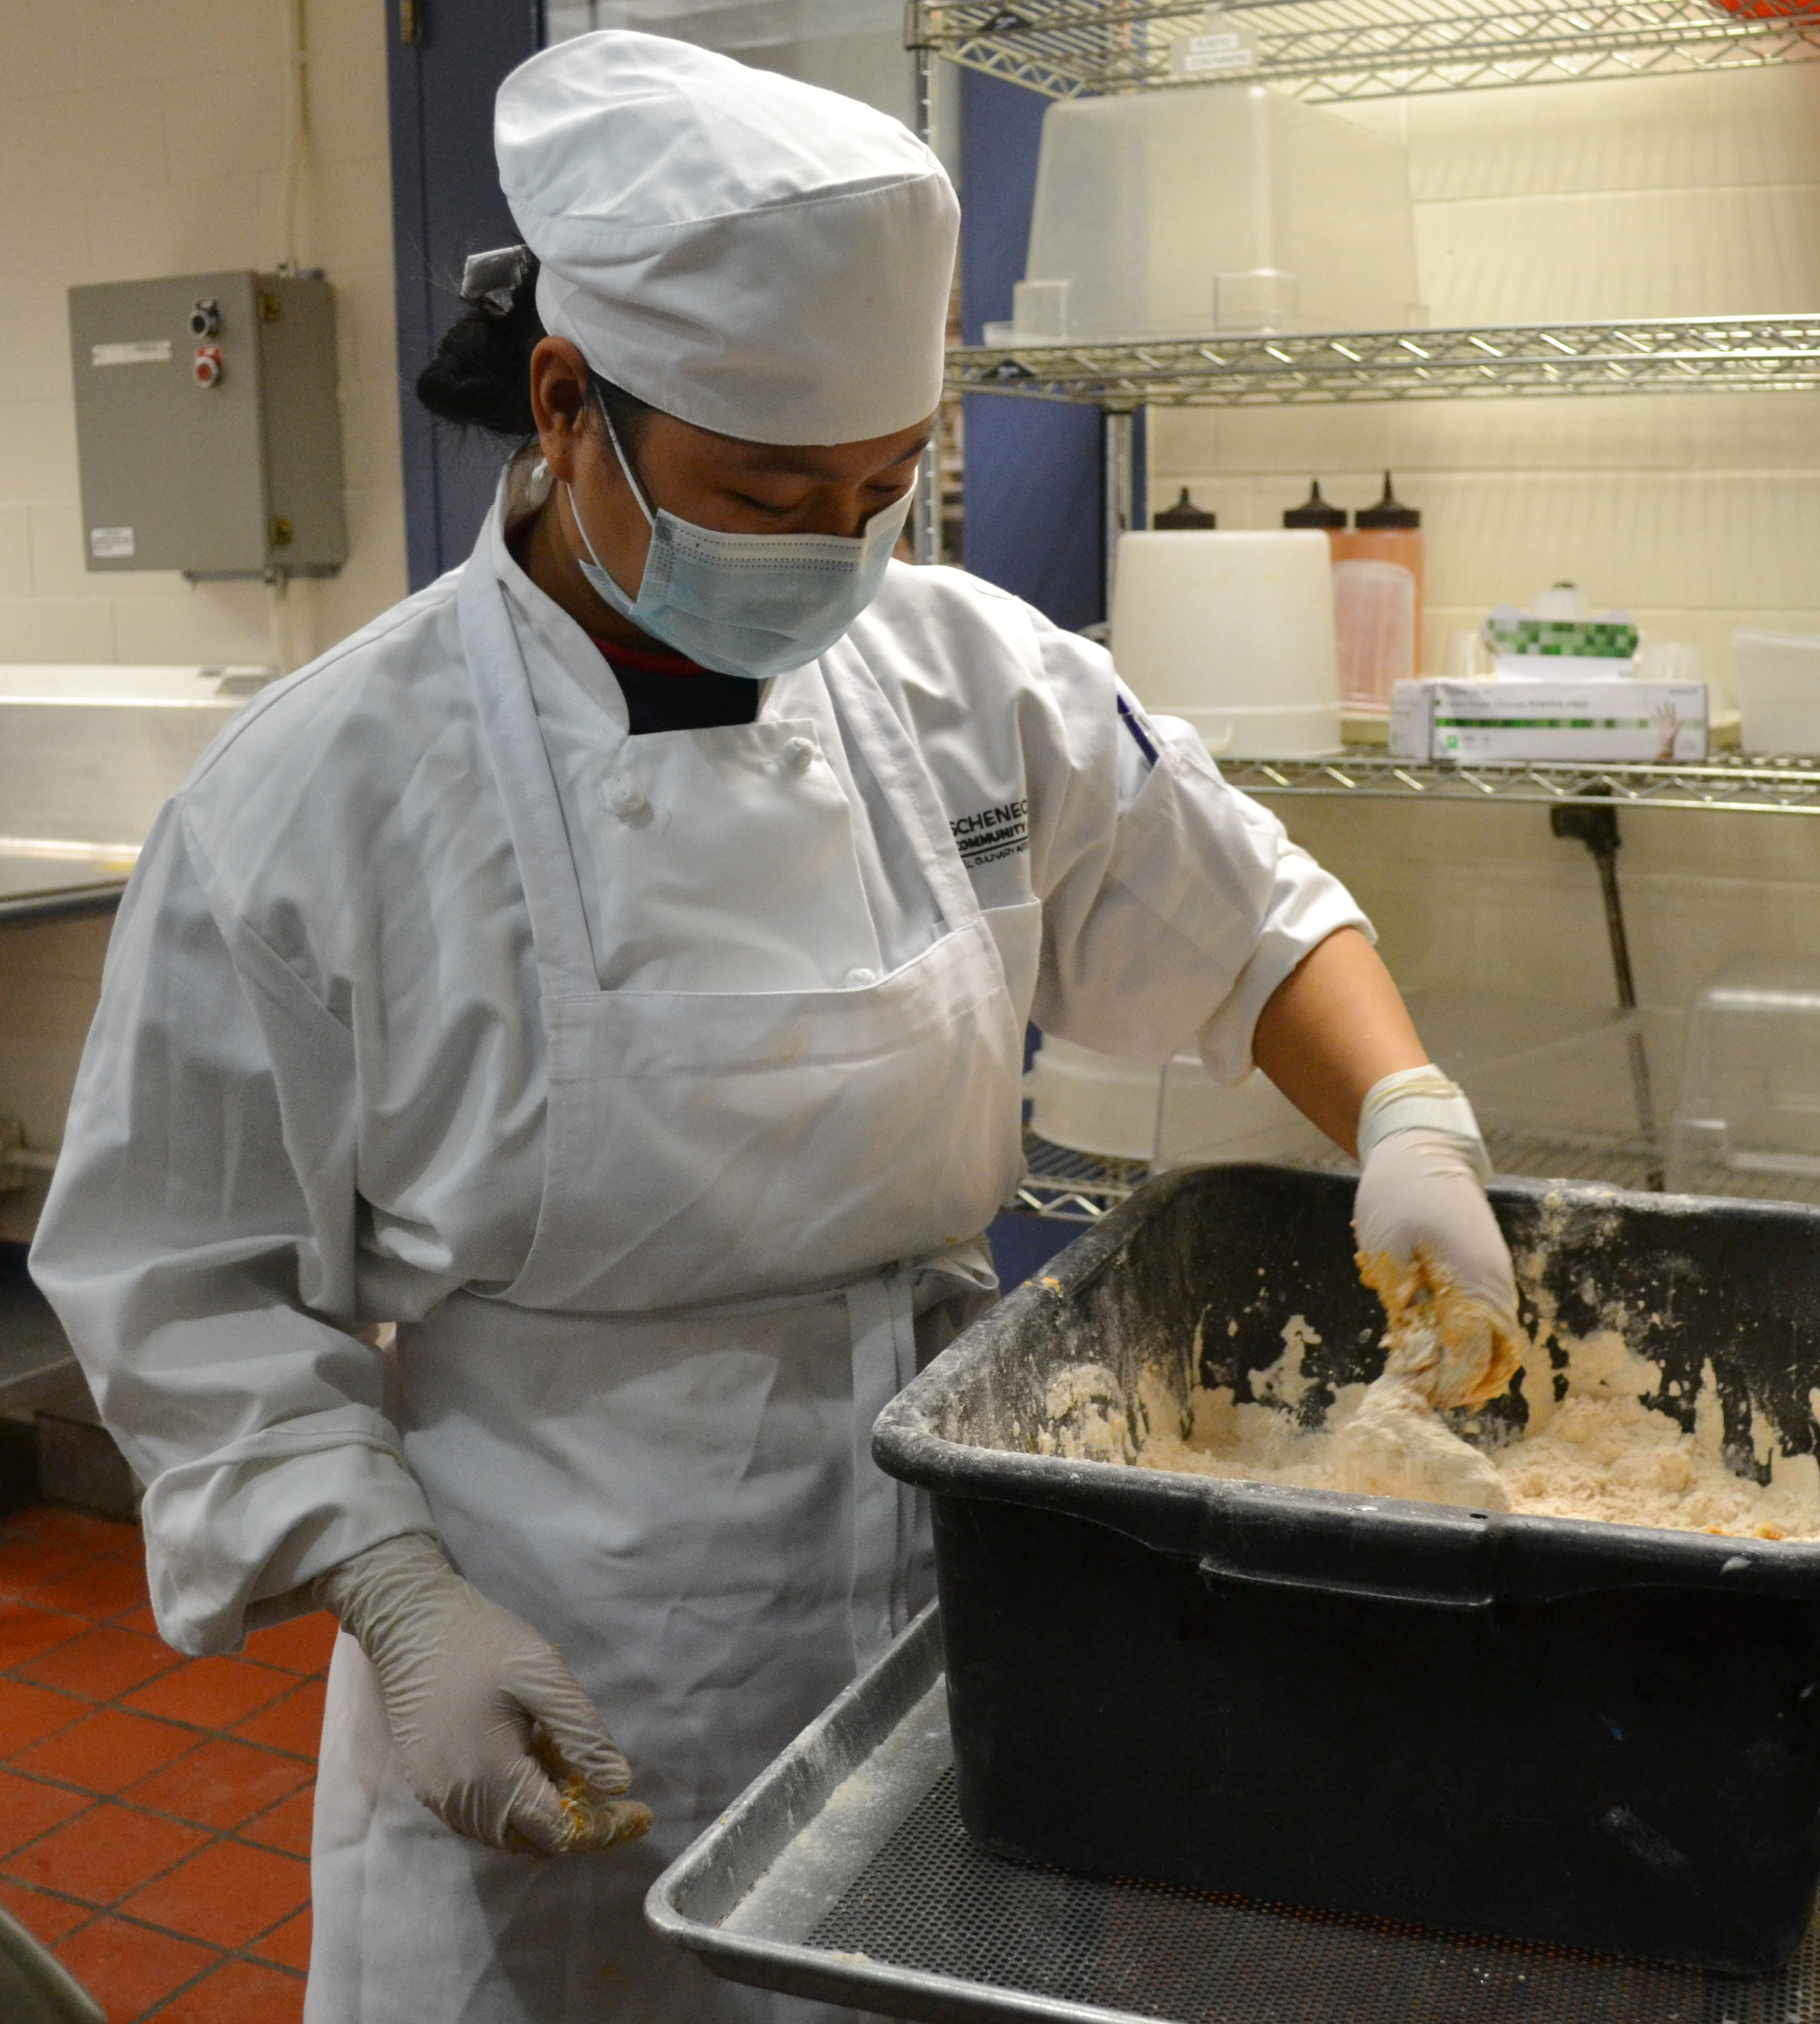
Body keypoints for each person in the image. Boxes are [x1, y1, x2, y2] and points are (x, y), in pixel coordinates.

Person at [29, 30, 1522, 2024]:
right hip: (554, 1636)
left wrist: (1408, 1120)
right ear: (567, 409)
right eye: (764, 490)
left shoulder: (960, 670)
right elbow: (183, 1285)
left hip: (939, 1588)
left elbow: (1242, 919)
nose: (836, 547)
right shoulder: (322, 795)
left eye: (884, 489)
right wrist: (392, 1602)